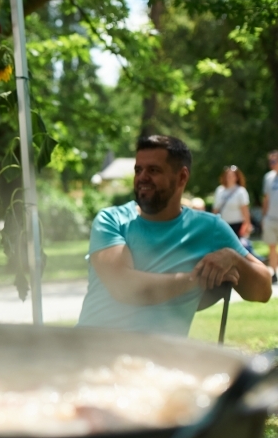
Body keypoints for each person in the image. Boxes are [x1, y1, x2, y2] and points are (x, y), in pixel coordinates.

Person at [77, 135, 271, 336]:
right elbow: (124, 287)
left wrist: (234, 259)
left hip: (161, 354)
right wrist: (195, 280)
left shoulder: (209, 228)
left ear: (182, 177)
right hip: (91, 347)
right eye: (138, 170)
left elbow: (263, 291)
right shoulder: (112, 220)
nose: (142, 177)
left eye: (153, 170)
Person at [212, 165, 251, 237]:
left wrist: (247, 224)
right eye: (228, 175)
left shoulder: (241, 191)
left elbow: (245, 209)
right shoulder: (220, 190)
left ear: (237, 177)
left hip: (237, 224)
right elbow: (216, 209)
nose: (229, 177)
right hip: (223, 224)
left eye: (232, 175)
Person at [262, 150, 278, 282]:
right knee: (271, 246)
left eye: (275, 160)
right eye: (271, 161)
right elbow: (266, 198)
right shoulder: (268, 177)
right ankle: (274, 272)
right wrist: (264, 216)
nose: (272, 163)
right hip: (271, 218)